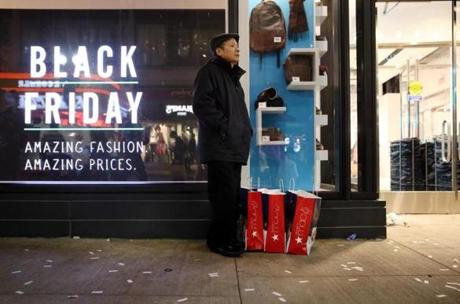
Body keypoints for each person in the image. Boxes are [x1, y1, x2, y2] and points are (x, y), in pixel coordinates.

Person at [192, 33, 252, 257]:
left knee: (231, 198)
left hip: (232, 147)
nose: (237, 49)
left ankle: (224, 238)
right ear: (219, 51)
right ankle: (220, 241)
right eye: (231, 46)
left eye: (237, 46)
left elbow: (238, 113)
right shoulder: (208, 72)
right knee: (223, 198)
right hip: (220, 147)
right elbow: (201, 105)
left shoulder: (232, 78)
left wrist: (244, 131)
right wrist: (226, 128)